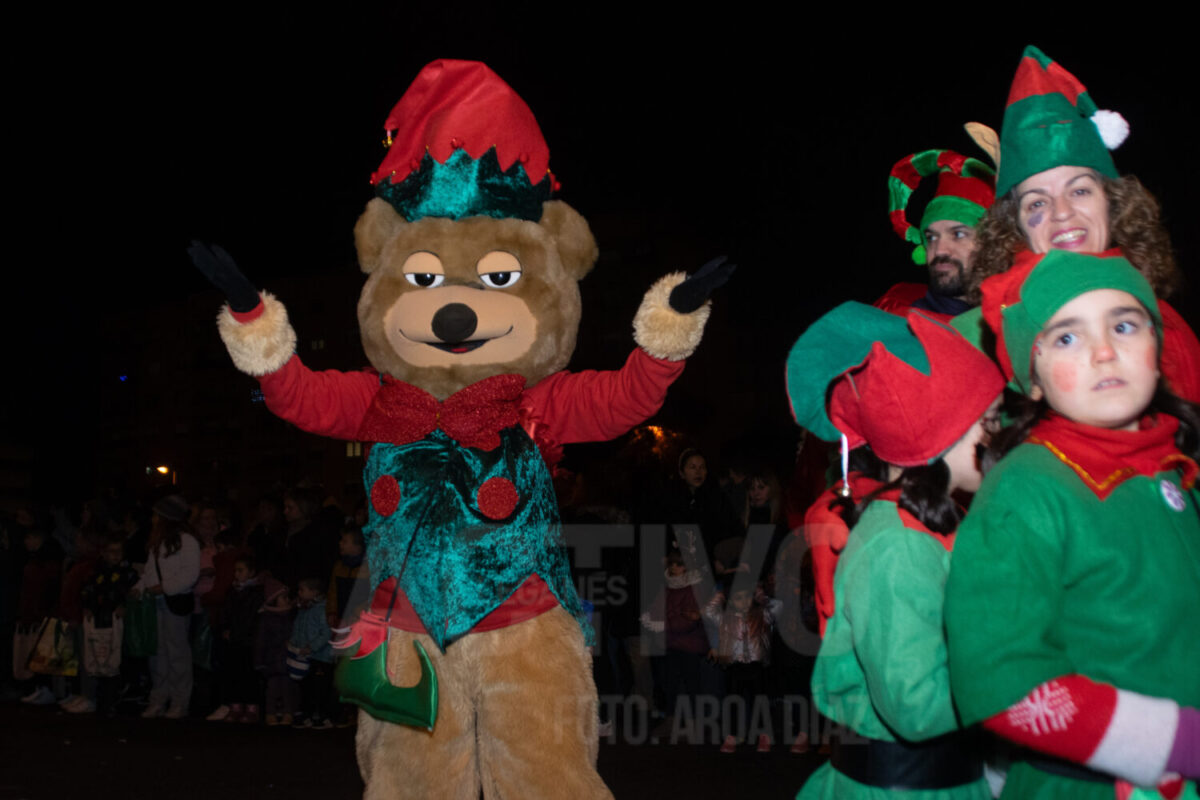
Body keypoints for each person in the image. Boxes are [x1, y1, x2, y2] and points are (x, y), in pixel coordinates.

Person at [944, 250, 1199, 797]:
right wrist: (1176, 740)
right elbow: (1000, 682)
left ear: (1157, 349)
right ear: (1032, 380)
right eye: (1066, 337)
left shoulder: (1172, 471)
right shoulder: (1027, 488)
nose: (1105, 351)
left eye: (1125, 325)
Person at [787, 302, 1003, 799]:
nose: (999, 435)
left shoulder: (941, 524)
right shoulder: (896, 544)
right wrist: (1024, 674)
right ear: (936, 433)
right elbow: (917, 704)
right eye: (988, 421)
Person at [955, 45, 1200, 403]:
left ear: (1113, 204)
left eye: (1080, 190)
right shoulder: (974, 344)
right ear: (1016, 228)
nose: (1062, 212)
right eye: (1037, 201)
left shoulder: (1170, 331)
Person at [876, 149, 995, 323]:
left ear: (993, 244)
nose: (939, 251)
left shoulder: (1018, 326)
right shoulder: (893, 312)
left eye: (958, 234)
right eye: (931, 238)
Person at [136, 494, 200, 719]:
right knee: (158, 653)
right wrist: (141, 586)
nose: (153, 518)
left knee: (177, 653)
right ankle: (159, 698)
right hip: (158, 602)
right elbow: (149, 570)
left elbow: (190, 573)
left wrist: (164, 587)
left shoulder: (186, 541)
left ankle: (180, 701)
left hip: (173, 602)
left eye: (156, 514)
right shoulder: (158, 542)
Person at [703, 577, 781, 753]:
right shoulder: (725, 618)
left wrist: (761, 595)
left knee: (760, 702)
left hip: (757, 666)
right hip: (734, 666)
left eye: (747, 597)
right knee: (732, 702)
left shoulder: (762, 615)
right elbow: (708, 611)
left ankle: (764, 735)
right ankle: (732, 735)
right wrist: (722, 594)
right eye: (738, 598)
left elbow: (778, 607)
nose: (744, 602)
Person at [79, 534, 138, 717]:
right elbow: (87, 590)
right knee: (98, 658)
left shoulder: (128, 572)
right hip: (98, 621)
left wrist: (125, 605)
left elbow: (133, 593)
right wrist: (88, 607)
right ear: (104, 553)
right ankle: (99, 700)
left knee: (115, 659)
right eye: (111, 551)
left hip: (117, 621)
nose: (115, 555)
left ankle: (113, 701)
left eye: (118, 551)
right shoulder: (96, 572)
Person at [217, 553, 265, 724]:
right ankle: (235, 705)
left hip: (248, 639)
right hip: (234, 639)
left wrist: (241, 631)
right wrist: (225, 627)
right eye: (235, 570)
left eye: (241, 570)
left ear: (251, 572)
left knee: (248, 673)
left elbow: (252, 617)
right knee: (234, 672)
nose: (237, 574)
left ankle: (252, 707)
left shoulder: (256, 592)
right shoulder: (232, 591)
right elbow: (226, 612)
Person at [290, 576, 333, 730]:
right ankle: (307, 713)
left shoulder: (322, 609)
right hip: (305, 654)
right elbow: (298, 627)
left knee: (320, 686)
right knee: (306, 686)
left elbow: (326, 633)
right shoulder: (304, 609)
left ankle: (322, 715)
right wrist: (294, 643)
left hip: (321, 656)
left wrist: (312, 646)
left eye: (302, 590)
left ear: (314, 592)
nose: (299, 593)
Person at [255, 577, 296, 726]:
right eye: (283, 597)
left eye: (287, 597)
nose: (287, 600)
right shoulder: (266, 618)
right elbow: (260, 641)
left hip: (287, 658)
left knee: (287, 688)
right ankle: (270, 713)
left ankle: (287, 713)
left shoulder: (291, 615)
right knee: (272, 688)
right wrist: (259, 661)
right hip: (271, 659)